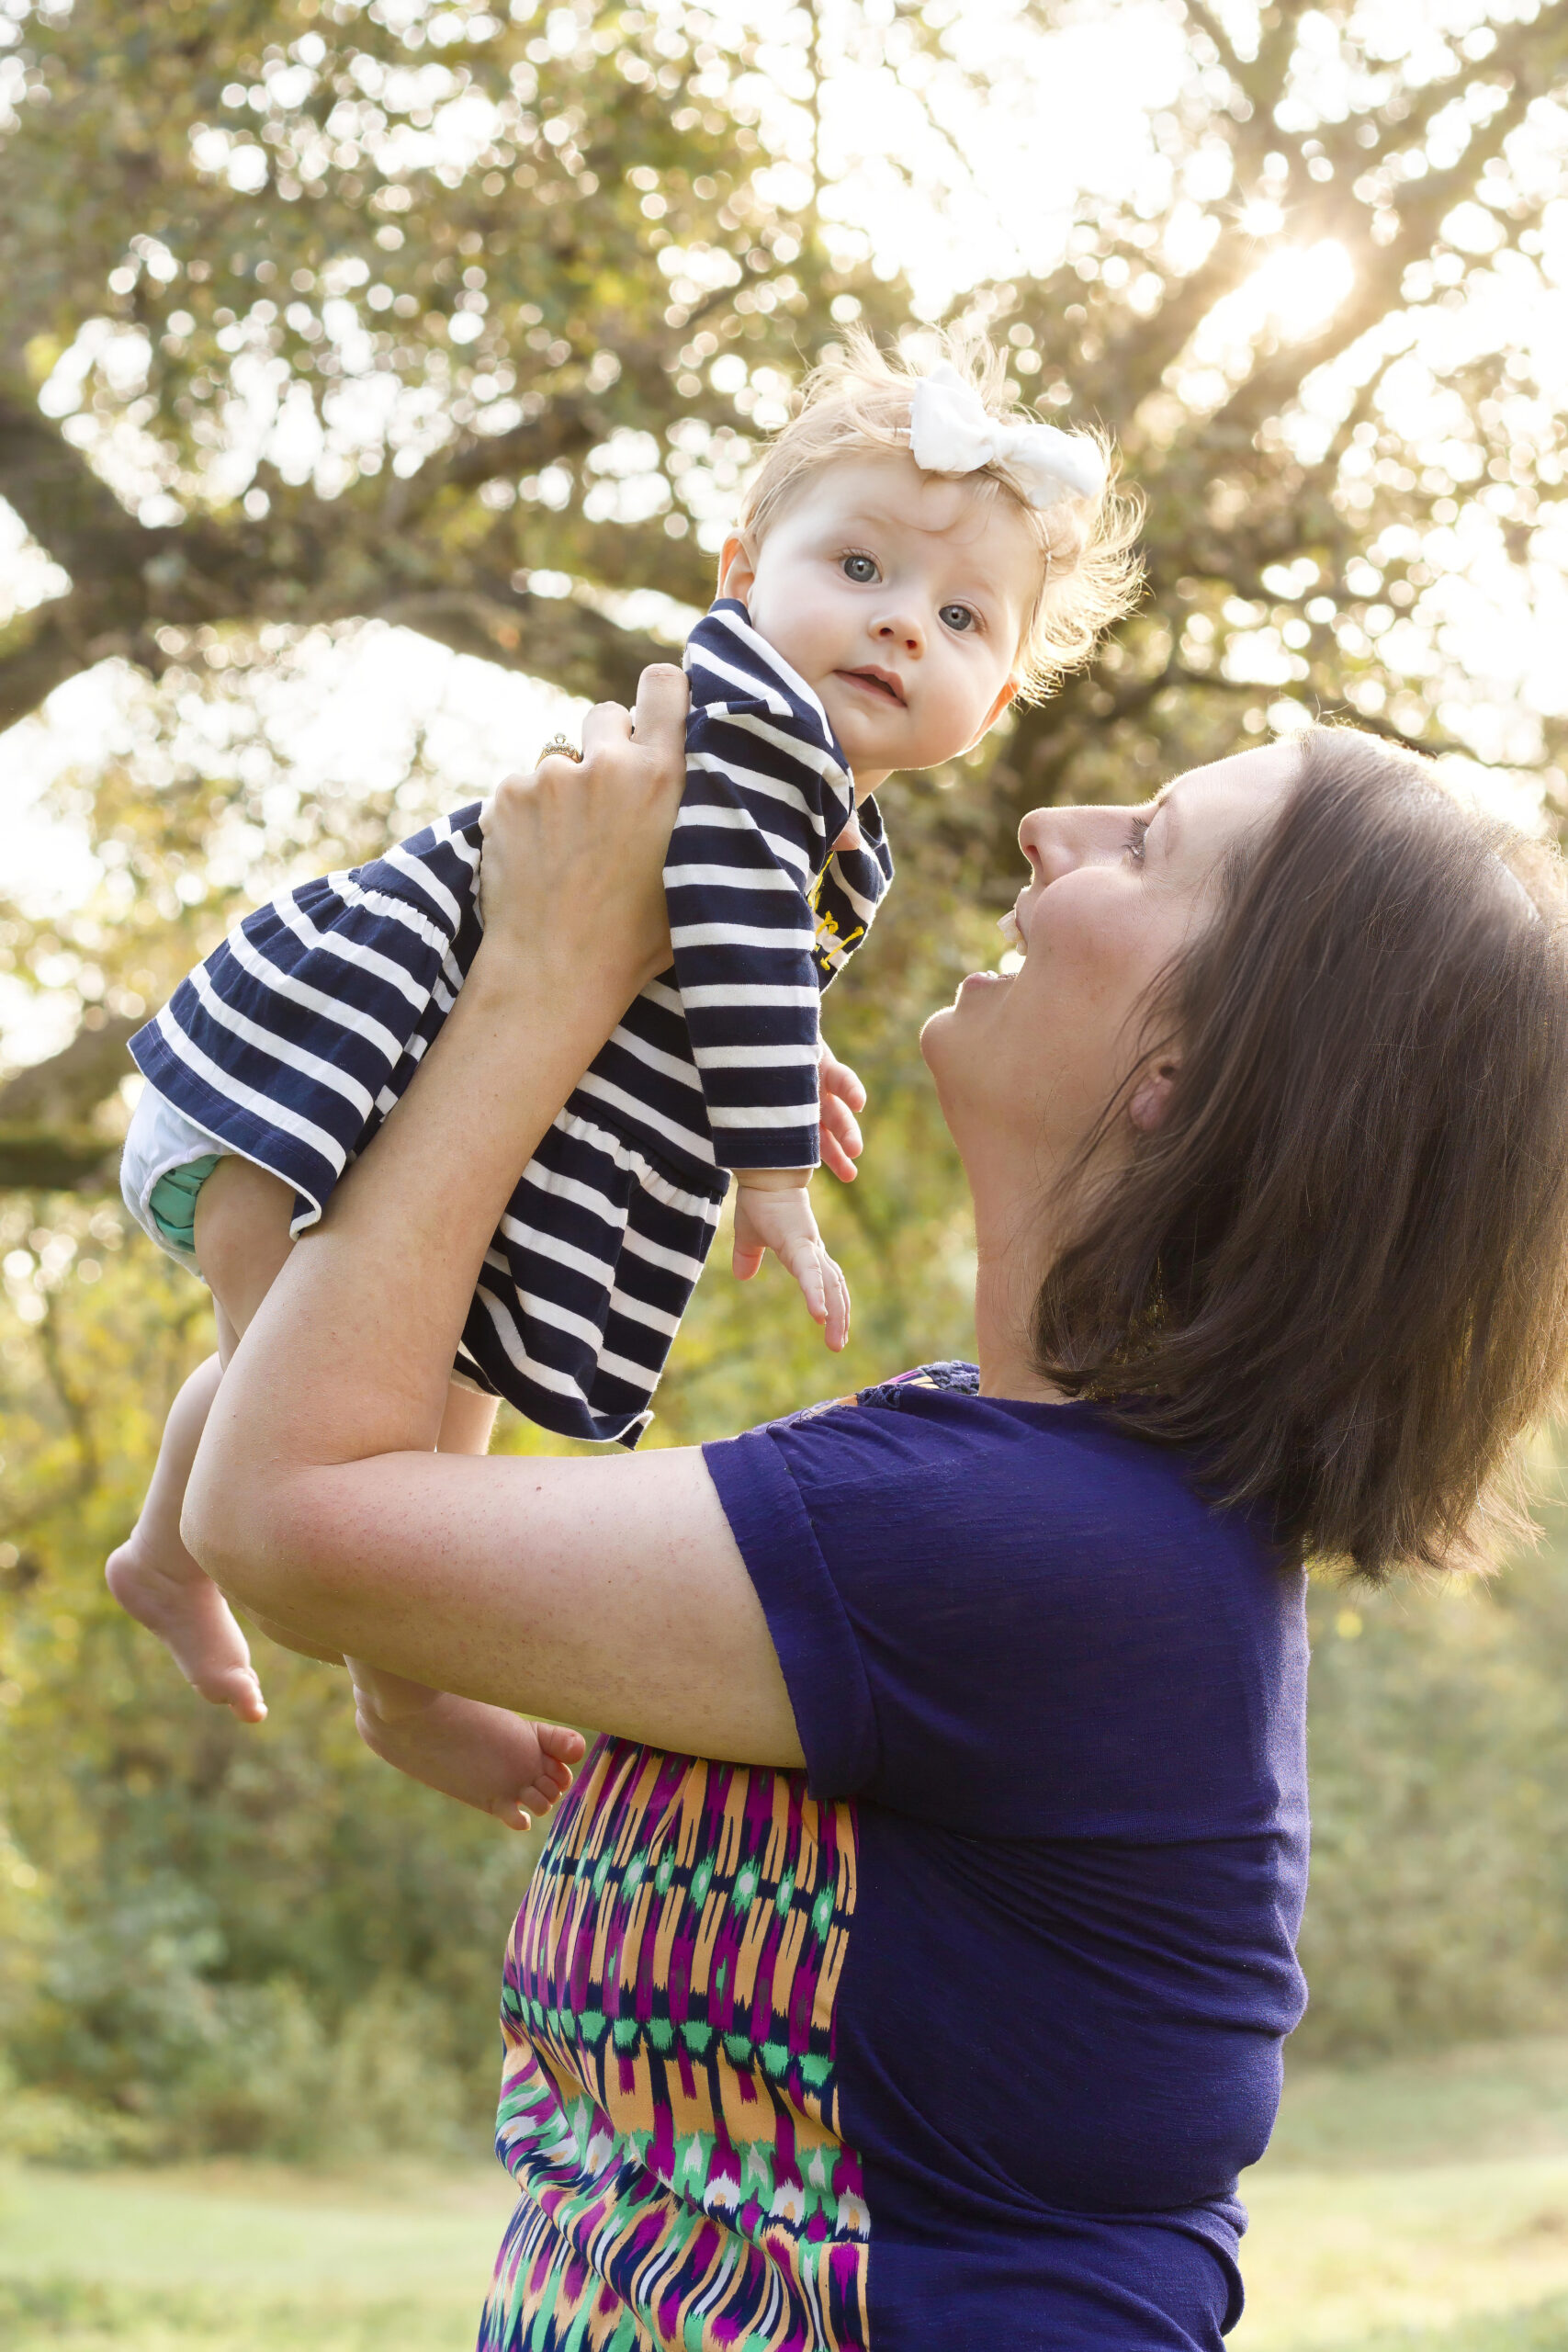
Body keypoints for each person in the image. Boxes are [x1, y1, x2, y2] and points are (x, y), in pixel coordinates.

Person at [182, 678, 1568, 2349]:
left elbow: (285, 1517)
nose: (1049, 830)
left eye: (1145, 842)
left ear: (1187, 1074)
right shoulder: (995, 1484)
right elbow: (366, 1517)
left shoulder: (1031, 1552)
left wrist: (550, 970)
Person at [105, 330, 1143, 1828]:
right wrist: (771, 1168)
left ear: (1003, 696)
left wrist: (783, 1060)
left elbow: (705, 968)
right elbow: (715, 907)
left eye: (965, 617)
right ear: (738, 571)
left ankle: (174, 1558)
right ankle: (399, 1686)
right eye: (858, 570)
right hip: (329, 1074)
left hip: (406, 1103)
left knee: (371, 1408)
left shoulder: (823, 803)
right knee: (368, 1445)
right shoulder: (751, 743)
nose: (905, 624)